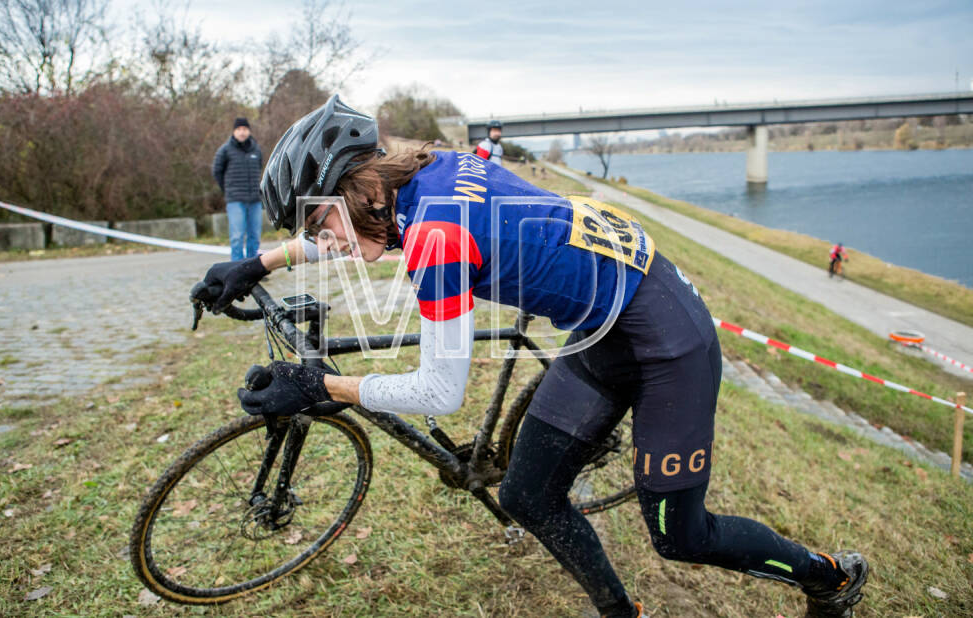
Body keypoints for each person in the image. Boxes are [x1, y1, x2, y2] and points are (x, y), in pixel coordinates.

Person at [194, 96, 869, 618]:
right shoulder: (423, 172)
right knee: (526, 493)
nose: (326, 241)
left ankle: (830, 577)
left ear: (361, 187)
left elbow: (438, 390)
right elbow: (369, 235)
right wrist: (261, 260)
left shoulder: (434, 234)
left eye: (320, 223)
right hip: (602, 327)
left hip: (668, 342)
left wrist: (321, 385)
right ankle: (619, 611)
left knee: (680, 536)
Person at [213, 117, 265, 260]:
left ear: (249, 131)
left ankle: (252, 266)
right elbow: (217, 171)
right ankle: (237, 268)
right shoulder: (225, 150)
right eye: (239, 129)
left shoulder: (256, 149)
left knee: (254, 235)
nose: (242, 132)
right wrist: (228, 190)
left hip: (255, 200)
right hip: (235, 200)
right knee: (237, 236)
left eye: (245, 129)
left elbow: (260, 168)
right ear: (234, 131)